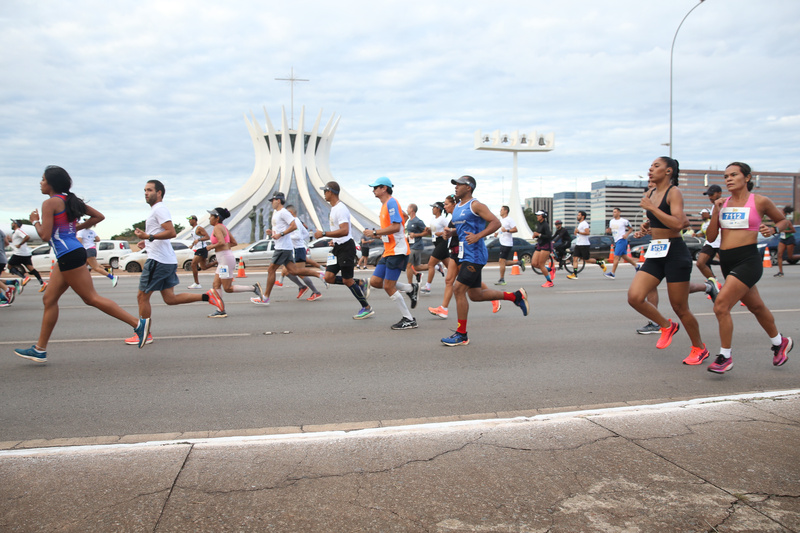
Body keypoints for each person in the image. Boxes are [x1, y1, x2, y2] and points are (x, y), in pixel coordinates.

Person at [14, 166, 150, 362]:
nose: (40, 183)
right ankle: (40, 349)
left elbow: (44, 235)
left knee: (91, 298)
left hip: (69, 254)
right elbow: (98, 217)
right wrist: (75, 227)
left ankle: (138, 324)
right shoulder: (70, 200)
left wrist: (34, 221)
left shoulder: (50, 203)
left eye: (43, 179)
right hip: (69, 253)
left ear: (51, 183)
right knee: (49, 299)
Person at [704, 162, 793, 373]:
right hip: (727, 261)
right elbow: (710, 237)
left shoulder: (760, 201)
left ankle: (725, 356)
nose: (728, 179)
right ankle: (780, 342)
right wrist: (716, 212)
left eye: (734, 175)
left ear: (747, 178)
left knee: (721, 305)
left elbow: (784, 223)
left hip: (748, 260)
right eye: (726, 176)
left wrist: (771, 229)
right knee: (756, 307)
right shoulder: (722, 204)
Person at [627, 157, 708, 365]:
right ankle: (666, 325)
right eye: (651, 166)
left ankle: (699, 348)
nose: (650, 169)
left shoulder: (674, 192)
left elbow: (679, 223)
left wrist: (652, 210)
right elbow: (661, 221)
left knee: (680, 307)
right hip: (656, 251)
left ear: (668, 171)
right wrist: (648, 225)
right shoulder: (650, 193)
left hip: (674, 252)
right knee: (634, 297)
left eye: (656, 166)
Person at [127, 180, 223, 345]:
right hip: (165, 259)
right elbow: (159, 234)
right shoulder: (156, 210)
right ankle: (208, 296)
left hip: (158, 260)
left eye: (149, 190)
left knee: (142, 296)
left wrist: (149, 237)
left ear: (159, 193)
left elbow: (171, 232)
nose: (146, 193)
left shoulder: (160, 209)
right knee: (170, 298)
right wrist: (147, 241)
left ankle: (144, 334)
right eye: (144, 190)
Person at [440, 175, 528, 346]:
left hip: (476, 255)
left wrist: (479, 235)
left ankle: (461, 334)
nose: (456, 187)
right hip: (465, 255)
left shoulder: (476, 205)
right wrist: (452, 233)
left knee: (458, 289)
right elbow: (462, 229)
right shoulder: (457, 207)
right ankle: (515, 296)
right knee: (475, 295)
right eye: (455, 185)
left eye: (459, 184)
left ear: (469, 187)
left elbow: (495, 222)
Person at [428, 194, 501, 320]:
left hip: (466, 253)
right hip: (455, 252)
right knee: (449, 280)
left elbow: (471, 228)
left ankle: (494, 299)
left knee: (467, 285)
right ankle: (444, 309)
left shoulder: (465, 214)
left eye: (446, 204)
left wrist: (475, 235)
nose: (444, 206)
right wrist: (448, 233)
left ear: (454, 204)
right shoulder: (454, 217)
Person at [362, 177, 419, 329]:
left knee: (388, 286)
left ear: (384, 188)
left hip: (398, 251)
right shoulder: (384, 205)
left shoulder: (392, 202)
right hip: (388, 250)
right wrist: (377, 234)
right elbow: (401, 220)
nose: (373, 190)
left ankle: (409, 319)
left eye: (375, 187)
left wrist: (375, 231)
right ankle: (410, 288)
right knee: (375, 282)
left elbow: (396, 227)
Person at [250, 192, 326, 306]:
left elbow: (293, 226)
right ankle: (320, 274)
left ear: (278, 200)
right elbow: (283, 229)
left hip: (282, 247)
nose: (271, 203)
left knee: (271, 270)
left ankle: (265, 298)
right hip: (284, 246)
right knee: (293, 271)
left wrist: (280, 234)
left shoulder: (284, 212)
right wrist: (272, 232)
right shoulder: (277, 213)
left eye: (273, 200)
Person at [312, 181, 372, 318]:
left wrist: (324, 234)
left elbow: (344, 231)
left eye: (325, 191)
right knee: (329, 277)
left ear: (330, 192)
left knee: (347, 280)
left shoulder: (340, 208)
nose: (323, 194)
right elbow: (340, 231)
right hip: (338, 247)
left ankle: (366, 307)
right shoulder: (334, 209)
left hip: (346, 248)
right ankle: (361, 283)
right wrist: (334, 240)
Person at [204, 207, 263, 317]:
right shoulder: (223, 228)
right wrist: (222, 249)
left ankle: (253, 288)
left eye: (211, 216)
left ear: (217, 218)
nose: (209, 218)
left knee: (227, 288)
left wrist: (211, 246)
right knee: (215, 284)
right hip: (224, 259)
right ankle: (220, 310)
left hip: (225, 260)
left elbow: (221, 242)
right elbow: (234, 242)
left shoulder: (217, 228)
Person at [283, 204, 322, 301]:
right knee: (286, 271)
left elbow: (298, 236)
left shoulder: (295, 221)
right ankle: (302, 286)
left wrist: (284, 235)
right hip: (296, 248)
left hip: (298, 249)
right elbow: (305, 234)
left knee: (299, 273)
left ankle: (316, 289)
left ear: (290, 213)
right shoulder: (297, 221)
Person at [695, 184, 722, 288]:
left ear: (719, 193)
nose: (710, 197)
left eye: (712, 194)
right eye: (709, 195)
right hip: (711, 241)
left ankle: (740, 290)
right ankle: (715, 283)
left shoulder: (725, 203)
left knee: (728, 269)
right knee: (700, 263)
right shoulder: (713, 206)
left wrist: (710, 216)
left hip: (722, 241)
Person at [7, 219, 47, 291]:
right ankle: (42, 283)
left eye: (12, 223)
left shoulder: (19, 231)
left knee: (9, 266)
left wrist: (20, 244)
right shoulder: (15, 232)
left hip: (19, 254)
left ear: (16, 224)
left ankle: (24, 277)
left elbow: (27, 237)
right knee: (31, 268)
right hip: (25, 254)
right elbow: (16, 243)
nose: (11, 224)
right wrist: (11, 241)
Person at [76, 221, 119, 287]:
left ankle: (112, 277)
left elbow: (79, 241)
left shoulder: (80, 231)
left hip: (87, 250)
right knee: (83, 267)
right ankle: (82, 282)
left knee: (95, 267)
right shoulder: (92, 231)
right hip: (93, 249)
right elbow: (98, 239)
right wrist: (90, 241)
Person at [567, 211, 607, 280]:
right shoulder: (580, 224)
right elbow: (577, 234)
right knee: (575, 258)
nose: (577, 216)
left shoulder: (585, 224)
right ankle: (575, 274)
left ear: (583, 216)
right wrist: (576, 232)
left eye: (579, 215)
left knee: (587, 260)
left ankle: (600, 263)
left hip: (584, 244)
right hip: (578, 244)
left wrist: (579, 232)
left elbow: (587, 233)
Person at [495, 205, 525, 286]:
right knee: (502, 262)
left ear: (506, 211)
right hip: (503, 242)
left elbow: (515, 229)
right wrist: (497, 233)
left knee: (501, 261)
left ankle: (502, 279)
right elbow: (502, 230)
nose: (500, 211)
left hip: (507, 243)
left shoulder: (509, 220)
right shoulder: (502, 220)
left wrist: (507, 230)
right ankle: (519, 262)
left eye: (501, 210)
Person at [604, 208, 638, 278]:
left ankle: (612, 273)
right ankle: (637, 266)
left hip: (621, 240)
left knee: (616, 257)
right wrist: (608, 231)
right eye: (613, 212)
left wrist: (626, 235)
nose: (614, 213)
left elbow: (631, 229)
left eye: (615, 212)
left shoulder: (624, 221)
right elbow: (611, 231)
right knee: (624, 256)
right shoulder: (611, 221)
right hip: (616, 240)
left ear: (619, 213)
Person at [187, 214, 217, 289]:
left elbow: (207, 237)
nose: (189, 221)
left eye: (190, 219)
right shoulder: (193, 229)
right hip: (199, 248)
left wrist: (199, 240)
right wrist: (192, 245)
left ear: (194, 220)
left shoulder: (199, 228)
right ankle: (218, 261)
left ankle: (197, 283)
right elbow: (196, 239)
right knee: (203, 267)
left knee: (193, 264)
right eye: (188, 219)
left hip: (202, 248)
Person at [405, 203, 429, 285]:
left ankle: (410, 285)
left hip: (416, 246)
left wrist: (415, 235)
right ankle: (434, 266)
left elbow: (426, 232)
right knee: (416, 267)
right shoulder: (409, 221)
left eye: (408, 208)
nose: (406, 210)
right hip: (411, 245)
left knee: (408, 265)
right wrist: (408, 237)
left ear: (412, 209)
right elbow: (410, 234)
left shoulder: (418, 221)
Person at [531, 210, 555, 288]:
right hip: (540, 245)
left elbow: (549, 236)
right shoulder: (539, 224)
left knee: (541, 265)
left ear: (543, 216)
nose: (537, 217)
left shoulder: (545, 225)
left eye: (538, 215)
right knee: (534, 263)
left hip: (546, 246)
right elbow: (540, 235)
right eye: (537, 215)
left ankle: (549, 281)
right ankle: (550, 270)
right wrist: (536, 235)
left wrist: (539, 234)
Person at [774, 205, 797, 277]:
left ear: (784, 213)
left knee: (790, 257)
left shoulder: (787, 221)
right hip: (782, 239)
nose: (781, 212)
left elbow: (793, 230)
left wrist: (785, 231)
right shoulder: (780, 220)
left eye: (782, 211)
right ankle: (781, 272)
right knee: (779, 254)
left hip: (789, 238)